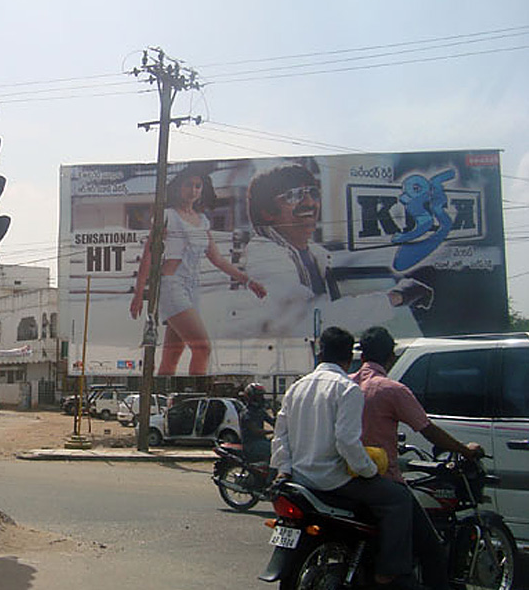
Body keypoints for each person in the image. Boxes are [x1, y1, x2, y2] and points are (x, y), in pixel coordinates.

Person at [271, 326, 416, 589]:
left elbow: (280, 436)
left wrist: (284, 469)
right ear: (350, 358)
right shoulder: (346, 389)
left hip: (301, 481)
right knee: (399, 498)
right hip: (333, 480)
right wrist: (371, 471)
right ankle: (387, 572)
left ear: (319, 352)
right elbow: (347, 442)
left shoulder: (296, 388)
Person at [353, 326, 484, 590]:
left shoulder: (344, 383)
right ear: (391, 356)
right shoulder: (391, 389)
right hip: (382, 478)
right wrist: (465, 450)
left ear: (362, 355)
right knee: (431, 546)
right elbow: (429, 430)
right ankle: (392, 575)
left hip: (343, 478)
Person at [245, 162, 433, 336]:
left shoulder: (315, 253)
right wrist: (395, 297)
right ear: (267, 212)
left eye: (313, 193)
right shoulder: (263, 253)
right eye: (294, 195)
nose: (310, 203)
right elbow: (307, 320)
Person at [130, 163, 267, 375]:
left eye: (198, 186)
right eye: (188, 185)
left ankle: (162, 402)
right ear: (178, 188)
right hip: (171, 285)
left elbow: (218, 260)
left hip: (193, 289)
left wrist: (248, 281)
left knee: (170, 358)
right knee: (203, 348)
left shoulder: (202, 221)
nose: (193, 190)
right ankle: (195, 398)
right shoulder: (167, 215)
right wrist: (139, 294)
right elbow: (148, 255)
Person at [238, 383, 274, 463]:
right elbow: (255, 431)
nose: (261, 398)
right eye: (258, 396)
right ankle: (272, 474)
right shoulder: (247, 413)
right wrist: (272, 431)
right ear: (251, 397)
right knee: (275, 451)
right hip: (251, 444)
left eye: (261, 396)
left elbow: (272, 422)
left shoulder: (260, 411)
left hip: (262, 441)